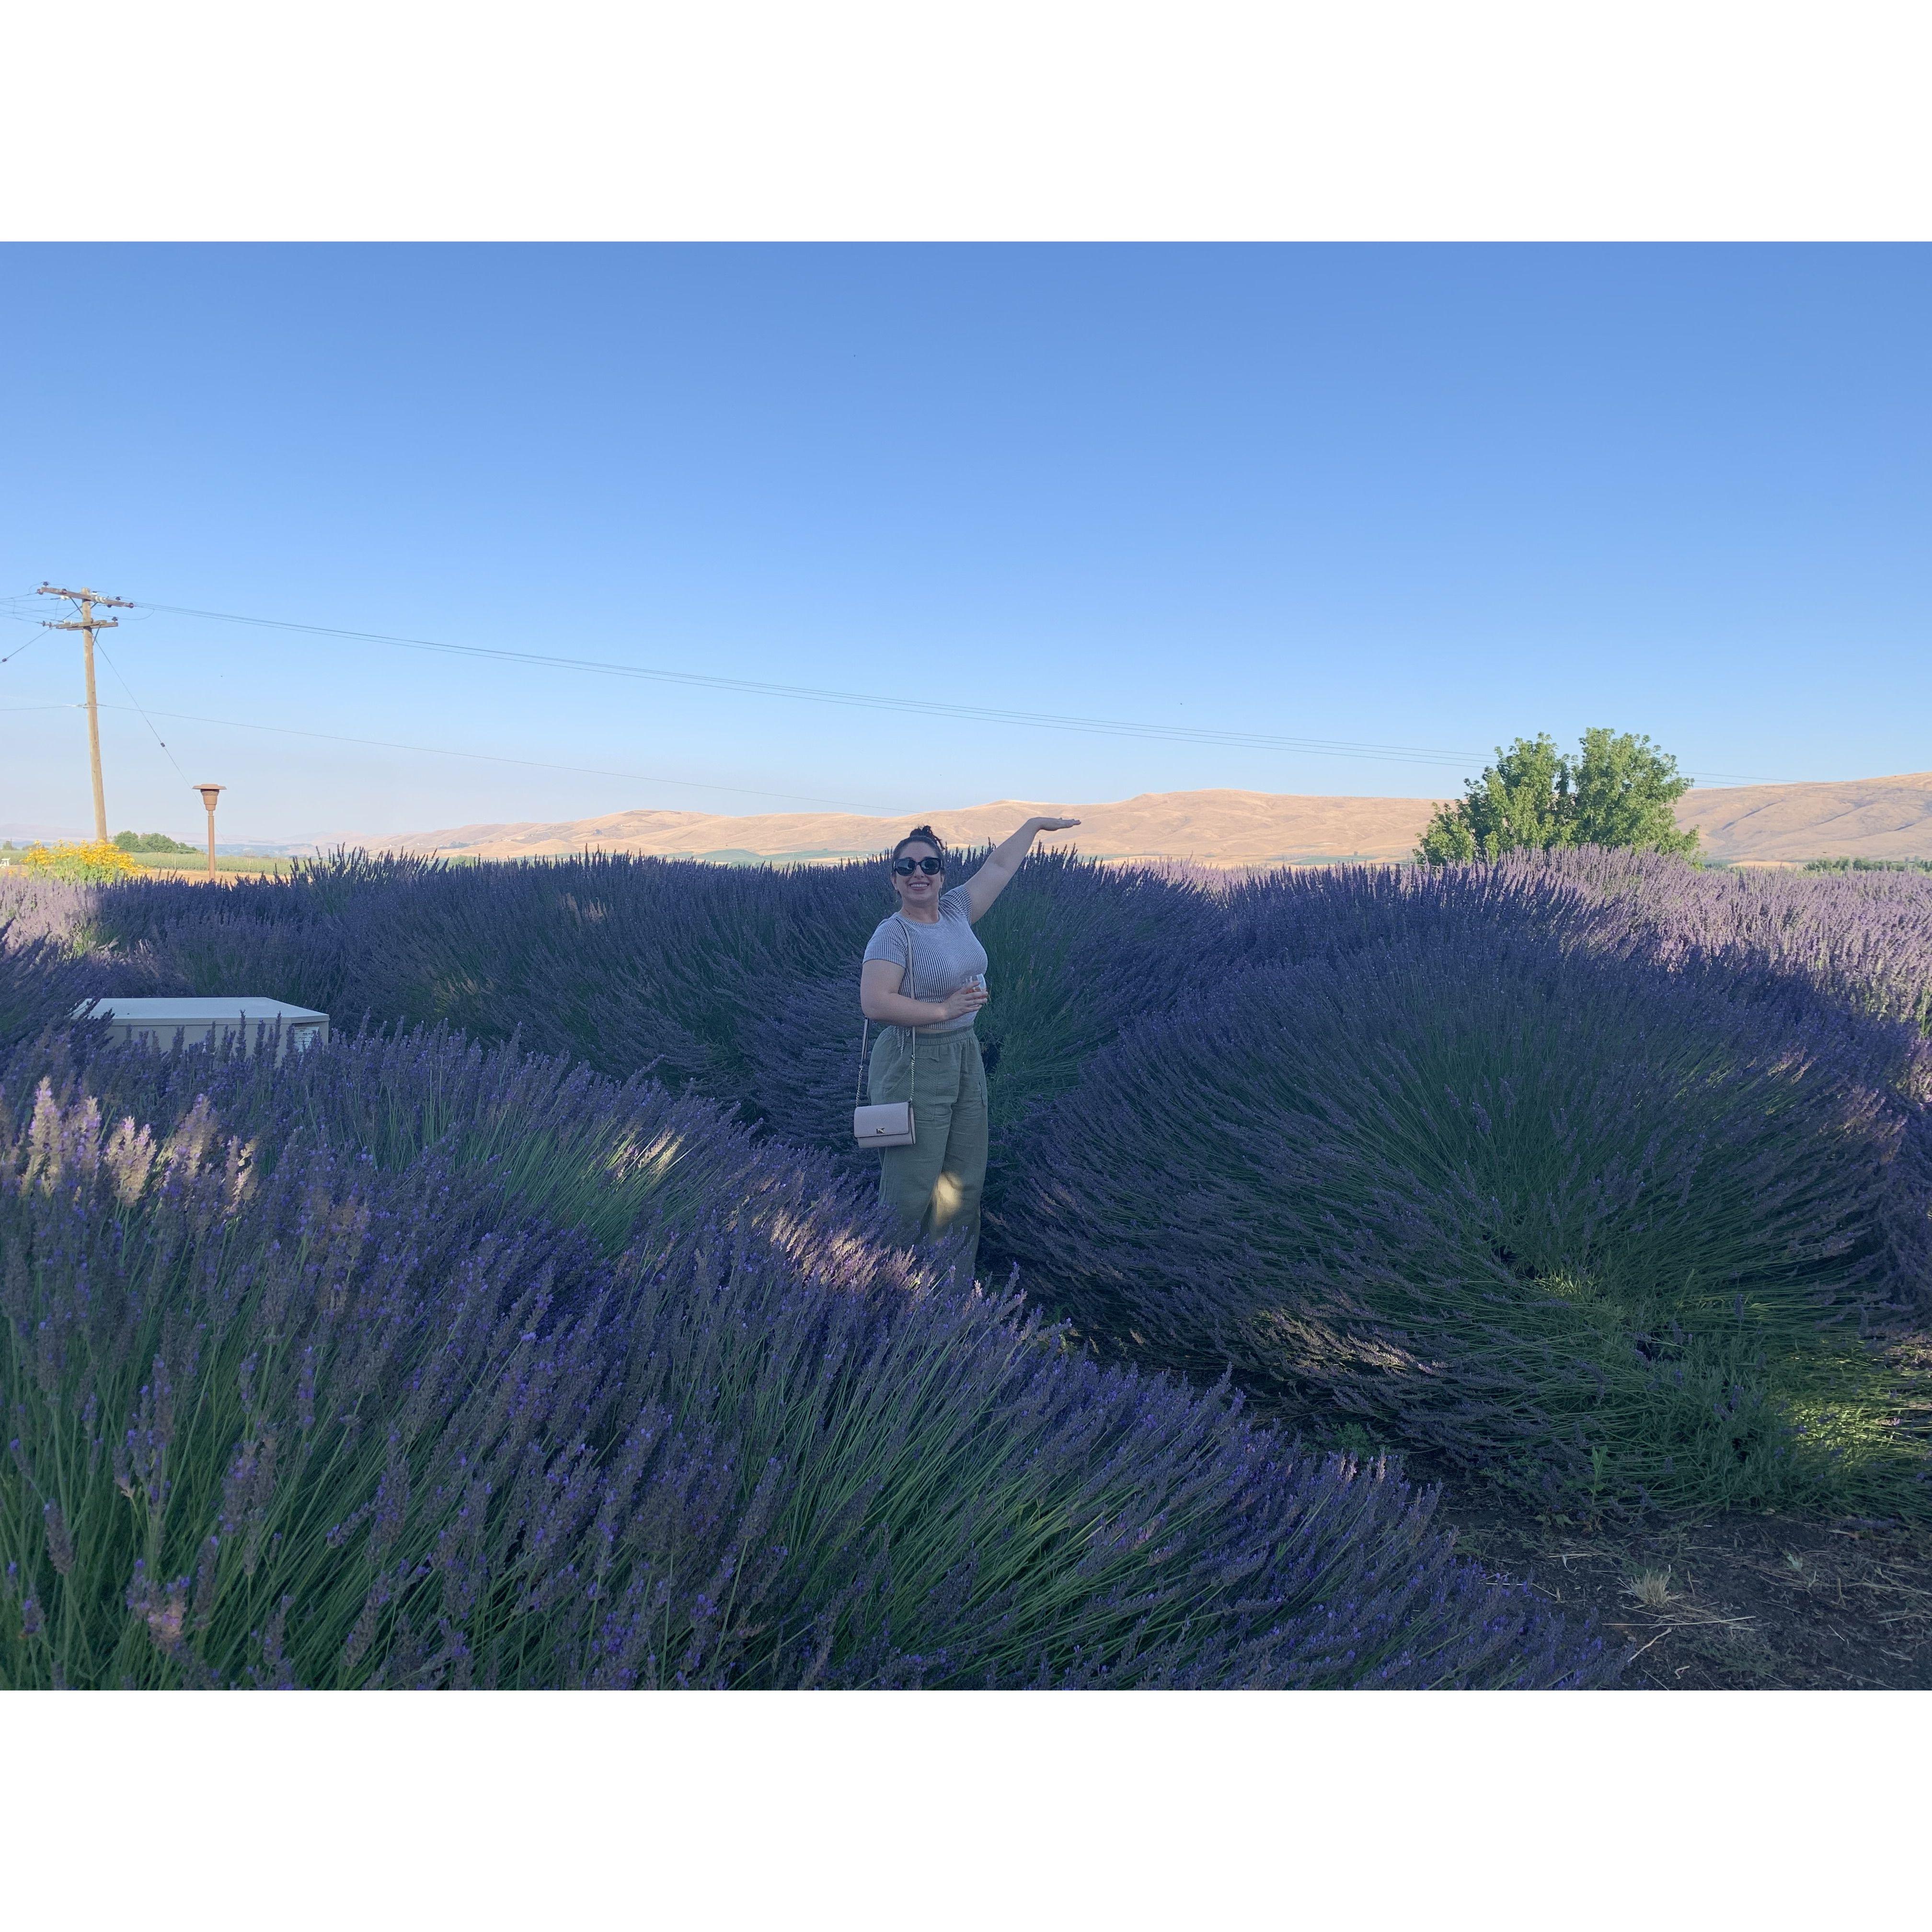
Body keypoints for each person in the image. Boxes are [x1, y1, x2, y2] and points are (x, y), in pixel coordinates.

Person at [859, 815, 1080, 1281]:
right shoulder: (893, 934)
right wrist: (944, 1009)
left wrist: (1032, 827)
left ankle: (947, 1290)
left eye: (929, 865)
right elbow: (875, 1002)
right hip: (914, 1061)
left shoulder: (956, 909)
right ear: (893, 879)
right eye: (906, 867)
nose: (919, 873)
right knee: (910, 1189)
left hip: (964, 1055)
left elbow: (998, 867)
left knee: (962, 1184)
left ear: (942, 874)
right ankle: (879, 1286)